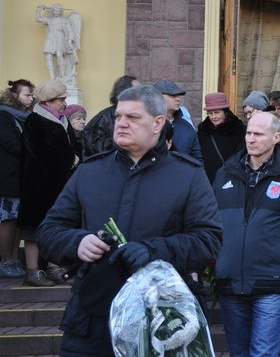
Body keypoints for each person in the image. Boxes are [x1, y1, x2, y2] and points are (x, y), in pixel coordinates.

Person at [37, 85, 222, 357]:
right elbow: (49, 231)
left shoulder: (189, 176)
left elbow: (209, 240)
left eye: (132, 118)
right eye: (118, 117)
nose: (121, 123)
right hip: (91, 320)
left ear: (158, 122)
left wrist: (154, 251)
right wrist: (78, 242)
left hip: (159, 323)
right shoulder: (90, 172)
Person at [213, 111, 280, 356]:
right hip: (230, 282)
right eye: (249, 133)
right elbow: (209, 226)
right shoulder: (224, 175)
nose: (251, 139)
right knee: (238, 352)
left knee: (264, 352)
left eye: (258, 134)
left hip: (271, 283)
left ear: (277, 136)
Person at [18, 79, 78, 286]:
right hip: (38, 185)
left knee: (56, 227)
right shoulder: (35, 120)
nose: (65, 103)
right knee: (33, 228)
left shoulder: (62, 119)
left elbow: (74, 144)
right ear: (49, 101)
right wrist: (69, 159)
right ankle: (33, 271)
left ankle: (53, 268)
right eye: (61, 99)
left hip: (60, 184)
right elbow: (39, 150)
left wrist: (75, 155)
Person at [0, 79, 35, 278]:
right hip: (8, 176)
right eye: (27, 95)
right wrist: (34, 150)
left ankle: (14, 260)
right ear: (14, 95)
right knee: (8, 220)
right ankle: (5, 261)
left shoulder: (26, 117)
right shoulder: (4, 115)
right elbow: (10, 144)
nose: (31, 99)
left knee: (17, 220)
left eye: (32, 95)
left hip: (22, 176)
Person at [82, 75, 140, 157]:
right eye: (138, 91)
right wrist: (123, 139)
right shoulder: (104, 117)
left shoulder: (142, 114)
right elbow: (97, 147)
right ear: (126, 92)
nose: (142, 94)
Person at [196, 92, 246, 183]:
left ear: (226, 112)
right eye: (210, 113)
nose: (214, 117)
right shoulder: (203, 132)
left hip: (234, 180)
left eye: (217, 112)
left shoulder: (239, 130)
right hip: (209, 181)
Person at [153, 80, 203, 163]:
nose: (178, 99)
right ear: (158, 97)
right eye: (172, 96)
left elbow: (198, 160)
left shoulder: (187, 127)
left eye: (178, 96)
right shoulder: (146, 125)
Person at [35, 3, 81, 81]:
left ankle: (62, 75)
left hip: (60, 38)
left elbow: (70, 31)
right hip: (50, 37)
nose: (57, 12)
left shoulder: (64, 20)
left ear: (60, 12)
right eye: (55, 10)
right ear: (53, 11)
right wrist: (38, 10)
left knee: (59, 55)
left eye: (58, 10)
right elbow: (38, 19)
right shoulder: (49, 20)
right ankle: (52, 78)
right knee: (48, 56)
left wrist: (70, 41)